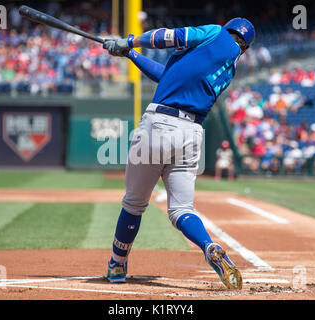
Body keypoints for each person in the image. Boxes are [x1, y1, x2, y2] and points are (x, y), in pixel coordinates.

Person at [102, 18, 255, 290]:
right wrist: (132, 55)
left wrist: (130, 42)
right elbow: (168, 76)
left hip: (159, 123)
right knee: (182, 209)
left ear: (228, 28)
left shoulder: (214, 33)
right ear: (244, 48)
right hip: (191, 133)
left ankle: (117, 264)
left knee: (134, 203)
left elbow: (166, 36)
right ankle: (209, 246)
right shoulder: (229, 69)